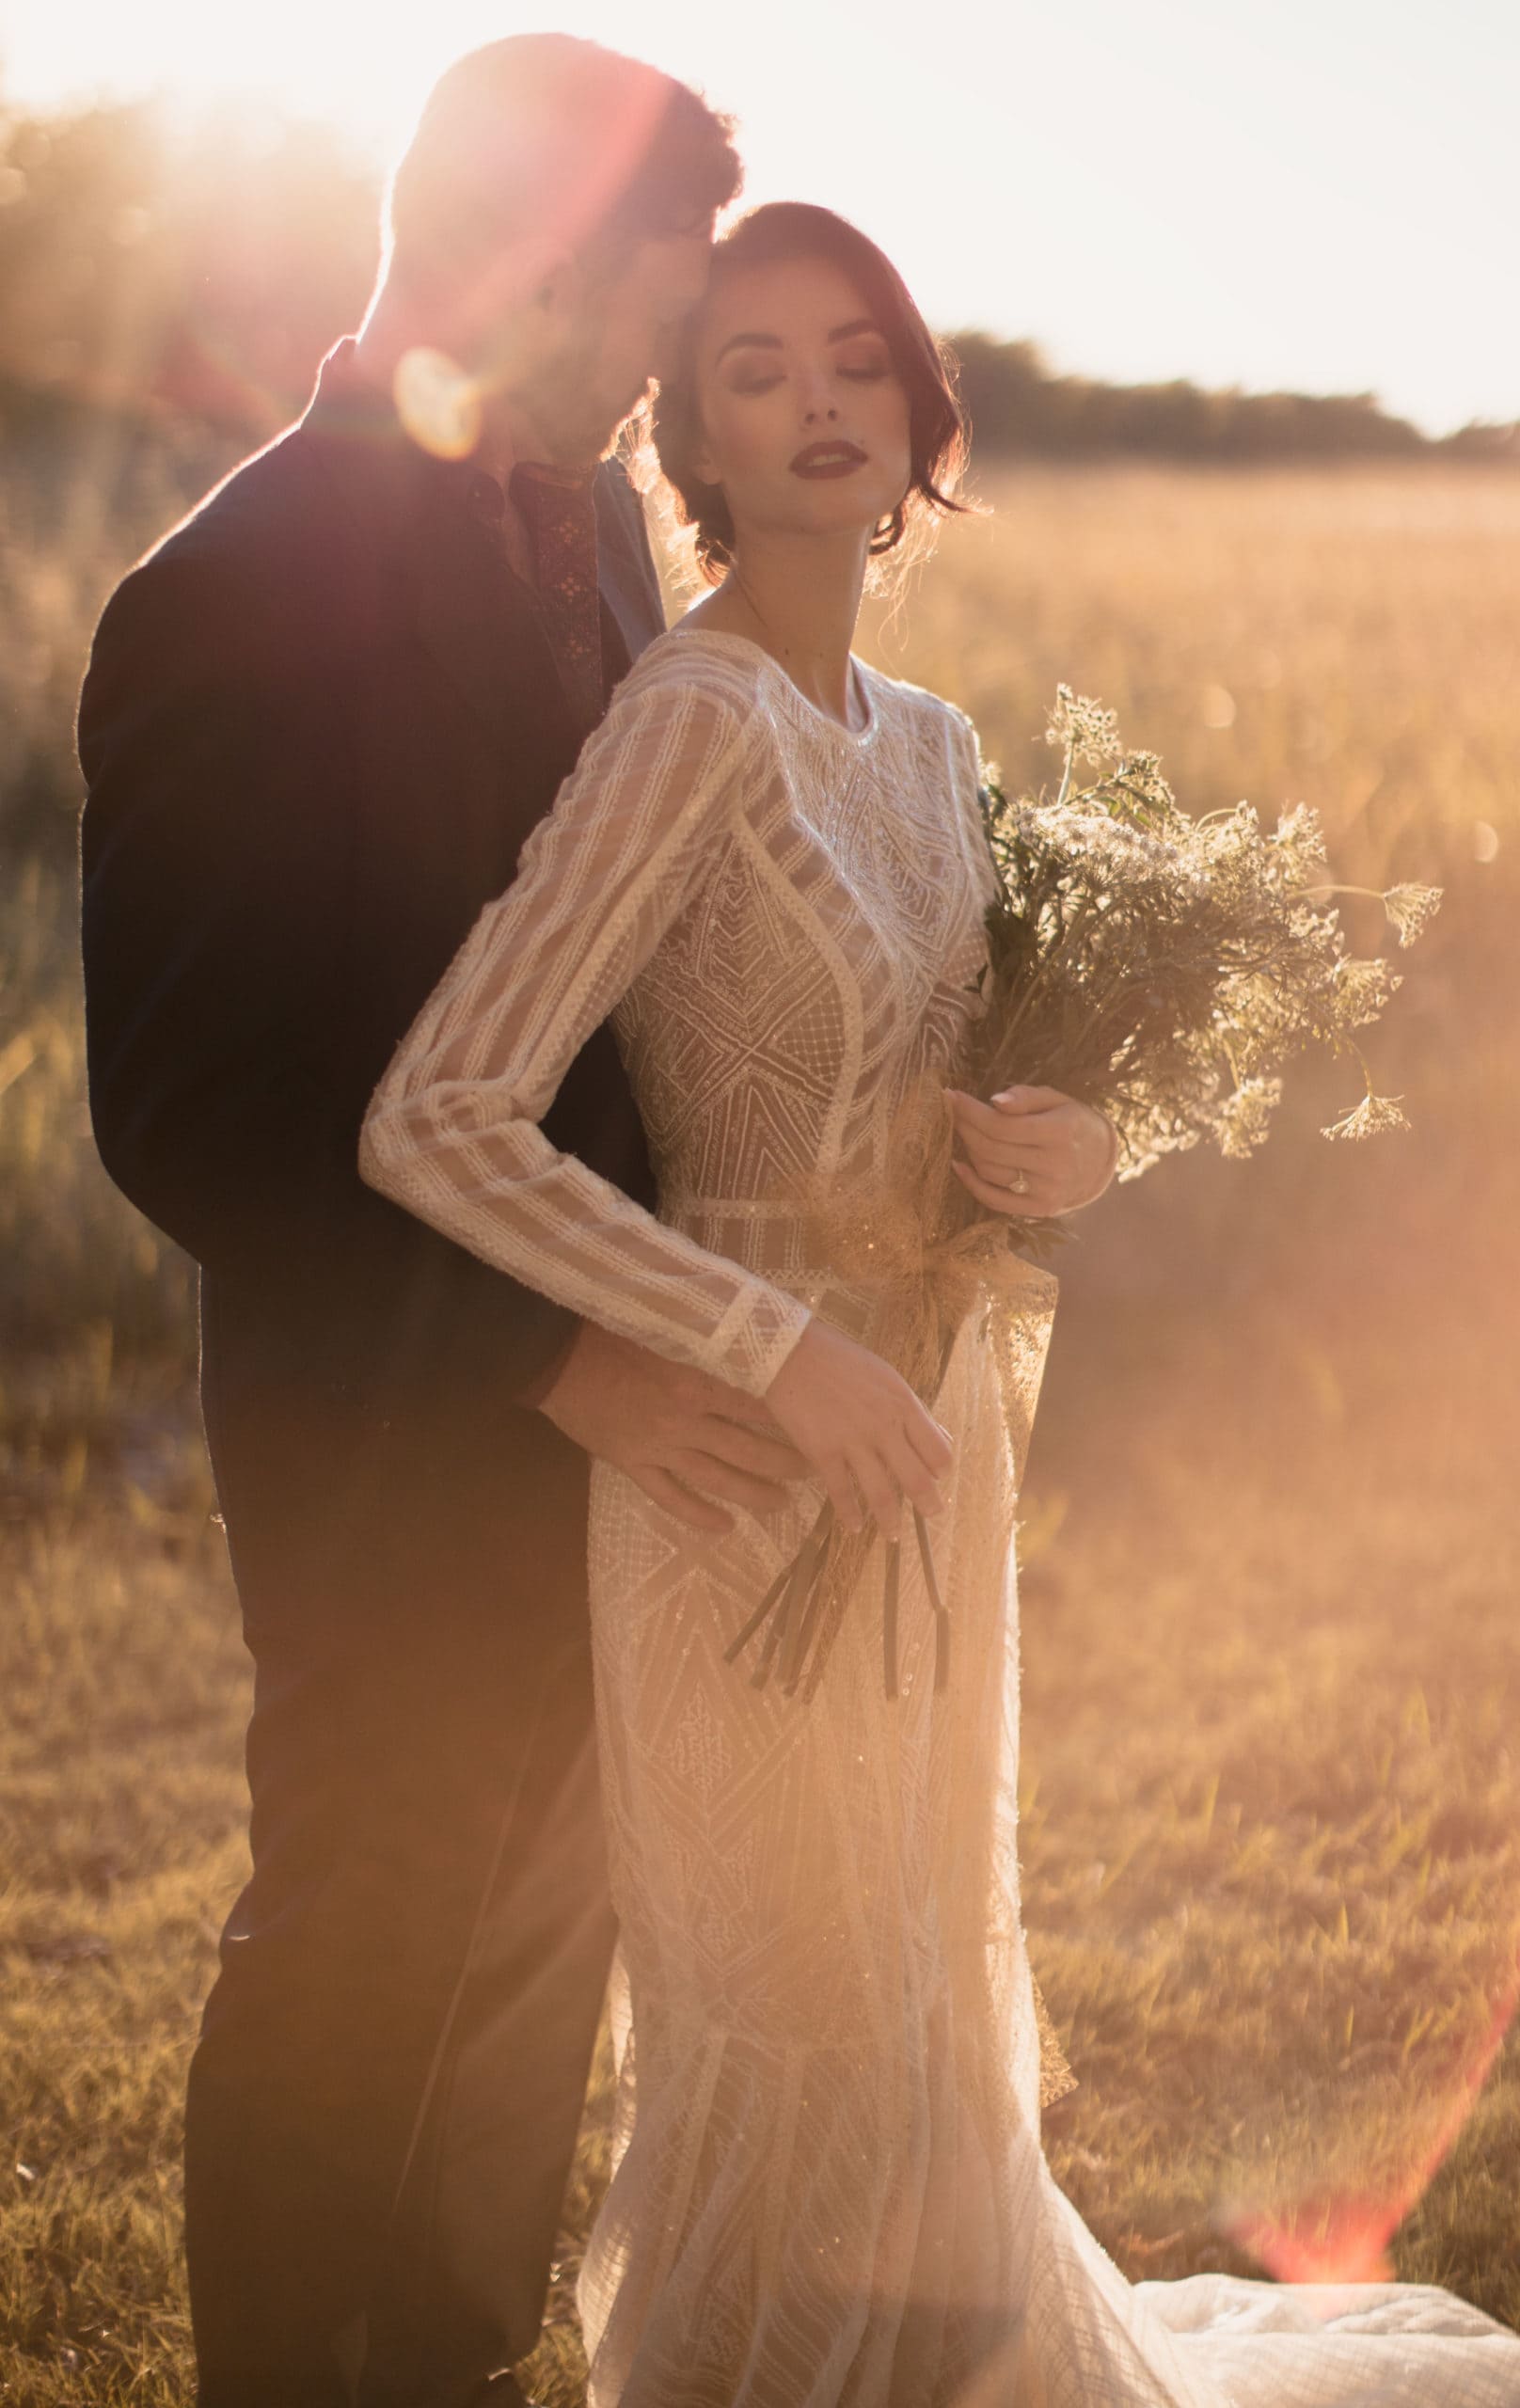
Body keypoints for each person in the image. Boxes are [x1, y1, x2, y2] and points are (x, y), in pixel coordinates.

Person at [361, 201, 1520, 2406]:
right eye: (753, 371)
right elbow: (437, 1115)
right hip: (740, 1456)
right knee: (775, 1974)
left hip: (941, 1425)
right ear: (692, 438)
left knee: (911, 1959)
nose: (813, 404)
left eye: (851, 362)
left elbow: (967, 1088)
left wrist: (1069, 1150)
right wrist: (757, 1341)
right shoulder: (682, 717)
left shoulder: (929, 737)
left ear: (915, 413)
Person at [76, 37, 800, 2408]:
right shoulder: (230, 593)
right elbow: (203, 1112)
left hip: (629, 1373)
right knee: (370, 1922)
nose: (663, 375)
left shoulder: (595, 523)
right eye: (640, 312)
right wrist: (554, 1353)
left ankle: (458, 2350)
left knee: (554, 1898)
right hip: (392, 1417)